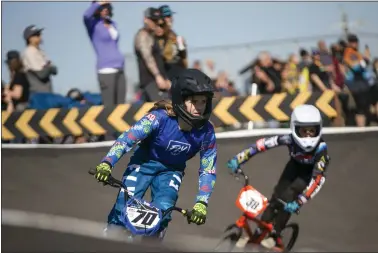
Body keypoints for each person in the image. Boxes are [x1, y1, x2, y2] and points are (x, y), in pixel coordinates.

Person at [92, 68, 217, 239]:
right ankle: (109, 240)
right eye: (195, 101)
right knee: (123, 207)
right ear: (181, 99)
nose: (200, 108)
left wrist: (202, 202)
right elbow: (126, 139)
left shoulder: (207, 132)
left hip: (171, 171)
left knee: (163, 212)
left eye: (204, 101)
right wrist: (107, 163)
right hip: (143, 164)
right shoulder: (158, 118)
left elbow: (208, 169)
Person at [227, 104, 330, 249]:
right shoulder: (288, 139)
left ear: (319, 130)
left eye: (312, 131)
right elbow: (260, 145)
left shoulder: (321, 150)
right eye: (304, 131)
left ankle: (275, 235)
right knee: (275, 198)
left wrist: (300, 201)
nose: (308, 135)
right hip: (294, 167)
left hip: (307, 175)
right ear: (295, 128)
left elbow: (318, 180)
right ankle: (260, 231)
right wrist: (239, 158)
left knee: (288, 198)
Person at [83, 0, 126, 106]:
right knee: (109, 108)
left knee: (121, 107)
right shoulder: (93, 25)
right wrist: (100, 2)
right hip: (106, 70)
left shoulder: (113, 24)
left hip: (120, 68)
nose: (105, 8)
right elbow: (86, 15)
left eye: (106, 6)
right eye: (102, 7)